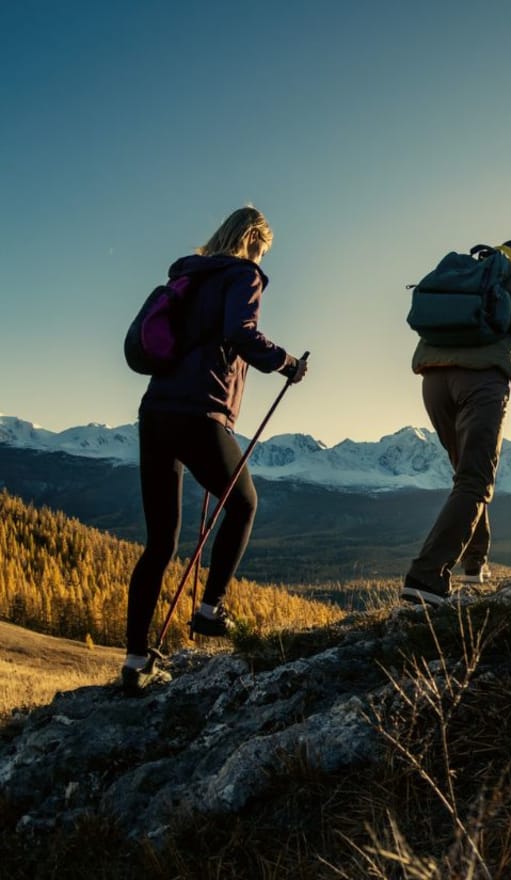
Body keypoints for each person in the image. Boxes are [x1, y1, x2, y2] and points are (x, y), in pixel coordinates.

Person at [122, 206, 309, 695]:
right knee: (244, 502)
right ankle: (210, 610)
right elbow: (240, 334)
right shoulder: (243, 274)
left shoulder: (187, 275)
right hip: (199, 410)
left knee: (160, 542)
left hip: (156, 410)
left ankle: (136, 660)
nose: (262, 257)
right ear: (251, 238)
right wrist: (286, 363)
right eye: (262, 248)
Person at [402, 240, 511, 605]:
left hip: (433, 381)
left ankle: (474, 563)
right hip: (481, 380)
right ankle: (426, 578)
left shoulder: (466, 268)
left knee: (465, 475)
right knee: (475, 480)